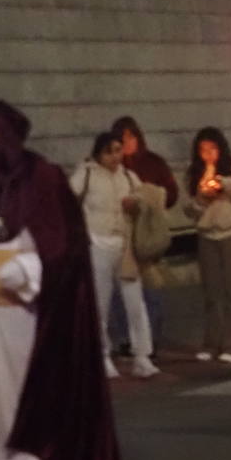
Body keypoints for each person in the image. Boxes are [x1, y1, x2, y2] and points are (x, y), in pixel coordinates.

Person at [0, 101, 142, 460]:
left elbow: (65, 252)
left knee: (26, 411)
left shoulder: (43, 181)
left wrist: (29, 272)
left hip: (29, 324)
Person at [72, 131, 159, 379]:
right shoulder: (87, 173)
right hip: (98, 243)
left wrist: (137, 203)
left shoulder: (129, 177)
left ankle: (142, 355)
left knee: (135, 302)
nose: (114, 157)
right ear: (98, 153)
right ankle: (102, 355)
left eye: (118, 151)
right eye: (109, 152)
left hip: (125, 245)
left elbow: (145, 199)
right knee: (101, 303)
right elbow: (69, 197)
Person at [183, 127, 231, 365]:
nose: (208, 154)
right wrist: (203, 198)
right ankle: (212, 342)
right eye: (203, 149)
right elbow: (188, 209)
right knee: (212, 292)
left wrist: (224, 183)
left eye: (212, 148)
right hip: (206, 235)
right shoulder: (194, 172)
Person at [108, 115, 176, 356]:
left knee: (150, 287)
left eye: (131, 136)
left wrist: (149, 197)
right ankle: (126, 337)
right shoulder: (111, 169)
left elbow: (170, 194)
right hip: (121, 235)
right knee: (119, 288)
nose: (127, 143)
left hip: (146, 234)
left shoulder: (152, 163)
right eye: (122, 138)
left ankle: (152, 338)